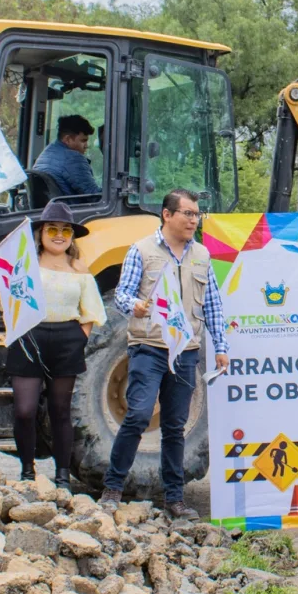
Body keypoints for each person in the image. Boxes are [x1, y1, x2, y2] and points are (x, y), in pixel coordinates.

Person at [99, 189, 231, 518]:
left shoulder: (201, 255)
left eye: (196, 214)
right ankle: (113, 488)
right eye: (187, 213)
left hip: (185, 352)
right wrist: (136, 306)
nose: (193, 220)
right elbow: (123, 296)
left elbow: (213, 304)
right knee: (139, 415)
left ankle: (175, 499)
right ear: (167, 215)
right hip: (149, 347)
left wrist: (222, 347)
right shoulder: (141, 251)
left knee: (175, 425)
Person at [8, 200, 106, 485]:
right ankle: (28, 470)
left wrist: (79, 339)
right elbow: (5, 294)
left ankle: (62, 475)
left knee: (60, 410)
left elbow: (91, 309)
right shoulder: (25, 264)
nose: (59, 234)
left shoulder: (79, 268)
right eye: (52, 229)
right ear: (41, 232)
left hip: (66, 340)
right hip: (29, 336)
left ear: (72, 236)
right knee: (24, 410)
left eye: (65, 230)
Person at [32, 115, 101, 197]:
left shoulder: (47, 153)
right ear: (67, 139)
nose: (87, 145)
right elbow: (94, 195)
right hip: (72, 208)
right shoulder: (73, 158)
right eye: (83, 141)